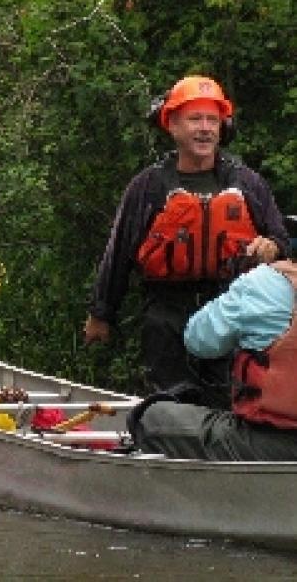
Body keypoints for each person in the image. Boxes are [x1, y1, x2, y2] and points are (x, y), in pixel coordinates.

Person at [84, 75, 289, 408]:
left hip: (231, 306)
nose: (205, 128)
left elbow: (280, 239)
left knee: (227, 400)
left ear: (223, 126)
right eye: (195, 119)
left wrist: (272, 246)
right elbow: (118, 252)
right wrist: (101, 314)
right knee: (172, 401)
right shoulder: (148, 187)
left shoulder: (248, 184)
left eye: (212, 119)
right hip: (166, 309)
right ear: (173, 125)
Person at [129, 260, 297, 460]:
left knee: (151, 418)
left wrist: (236, 290)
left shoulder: (263, 282)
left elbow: (198, 341)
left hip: (272, 445)